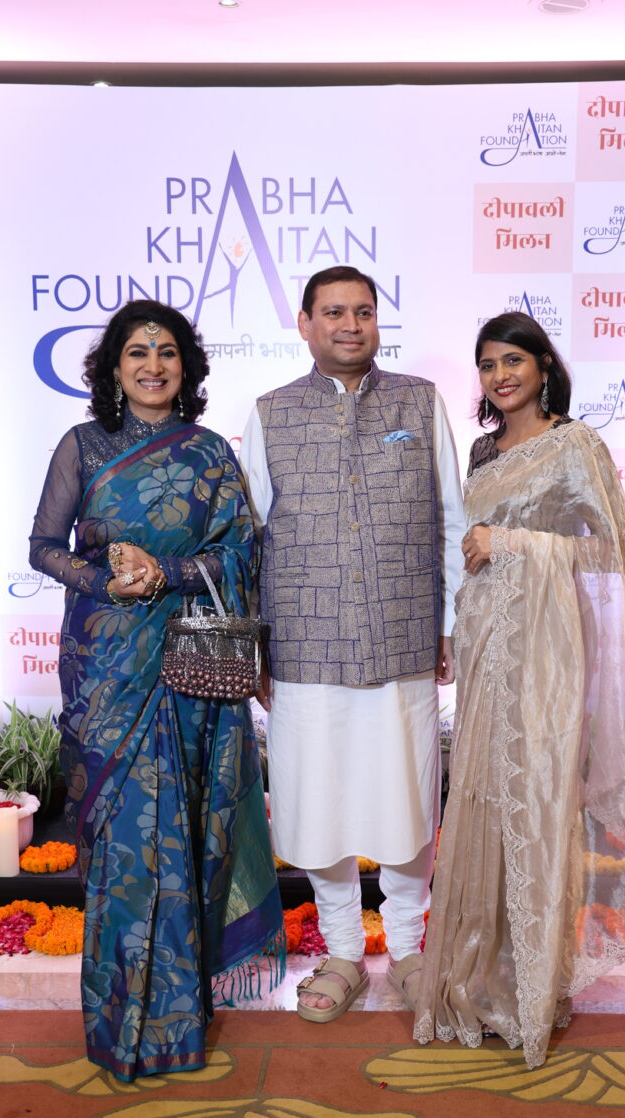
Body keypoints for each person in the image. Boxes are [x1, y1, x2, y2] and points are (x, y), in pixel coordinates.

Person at [29, 300, 284, 1082]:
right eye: (137, 353)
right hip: (109, 666)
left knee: (186, 829)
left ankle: (179, 1021)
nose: (152, 365)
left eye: (166, 352)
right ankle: (118, 1026)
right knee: (125, 841)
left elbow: (241, 552)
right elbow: (43, 546)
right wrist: (104, 581)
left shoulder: (209, 453)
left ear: (186, 366)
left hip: (190, 662)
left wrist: (167, 572)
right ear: (114, 368)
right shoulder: (82, 446)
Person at [413, 312, 625, 1069]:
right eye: (488, 364)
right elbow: (468, 551)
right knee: (483, 796)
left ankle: (530, 990)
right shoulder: (483, 451)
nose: (500, 376)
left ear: (543, 366)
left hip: (546, 653)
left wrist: (515, 542)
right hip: (485, 645)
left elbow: (616, 551)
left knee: (538, 797)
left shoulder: (575, 444)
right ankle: (477, 978)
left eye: (513, 360)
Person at [240, 265, 465, 1021]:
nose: (350, 325)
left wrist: (449, 624)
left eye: (363, 312)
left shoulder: (419, 402)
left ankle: (408, 951)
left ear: (376, 321)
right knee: (316, 803)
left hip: (402, 639)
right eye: (333, 312)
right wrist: (257, 646)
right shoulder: (271, 413)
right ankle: (342, 953)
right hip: (304, 648)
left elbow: (452, 518)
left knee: (407, 802)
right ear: (305, 324)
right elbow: (249, 539)